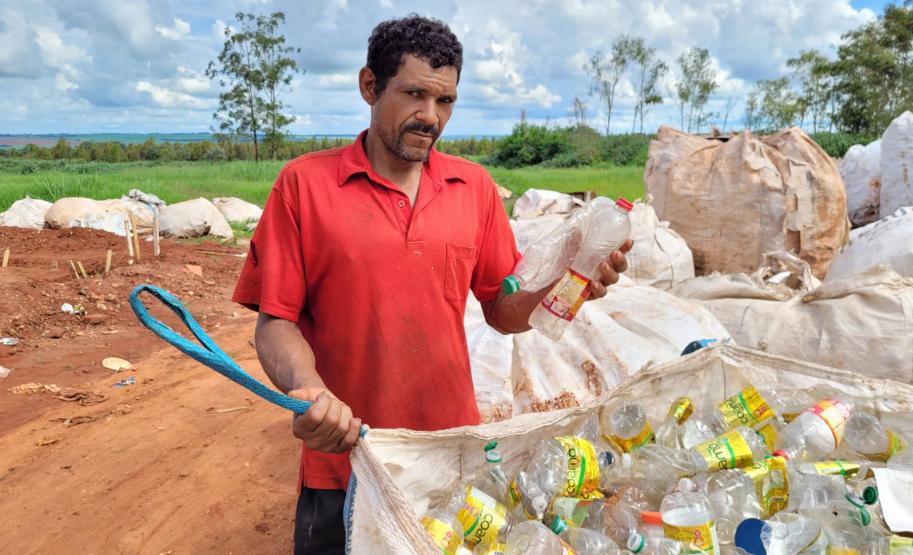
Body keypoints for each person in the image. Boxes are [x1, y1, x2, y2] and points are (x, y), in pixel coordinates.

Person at [232, 14, 632, 555]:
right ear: (370, 86)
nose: (430, 117)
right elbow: (276, 322)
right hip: (346, 459)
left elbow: (502, 309)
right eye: (414, 95)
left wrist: (569, 286)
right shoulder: (304, 185)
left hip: (450, 454)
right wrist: (311, 391)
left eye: (445, 101)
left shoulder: (474, 188)